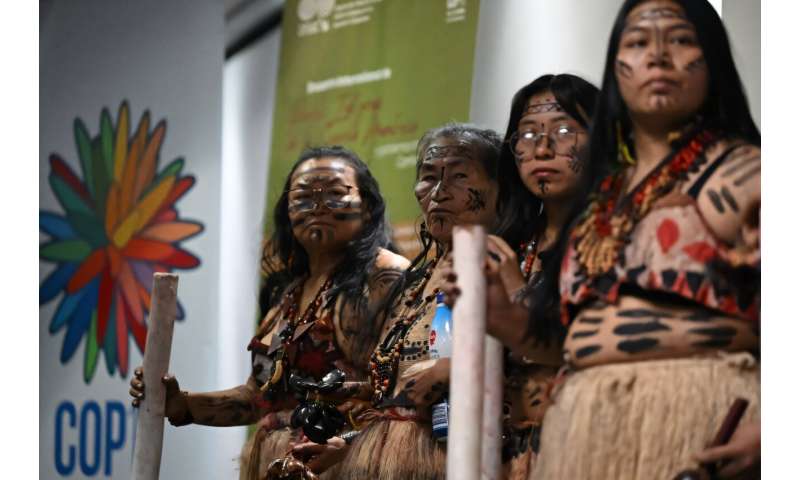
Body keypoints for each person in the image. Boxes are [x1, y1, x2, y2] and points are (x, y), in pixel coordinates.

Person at [473, 1, 761, 478]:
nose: (659, 57)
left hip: (706, 418)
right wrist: (503, 317)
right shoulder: (601, 201)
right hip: (588, 430)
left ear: (712, 59)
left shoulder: (748, 174)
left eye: (682, 40)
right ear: (616, 69)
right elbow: (565, 341)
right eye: (638, 43)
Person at [129, 146, 410, 479]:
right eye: (303, 197)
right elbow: (260, 399)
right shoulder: (288, 294)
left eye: (335, 194)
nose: (318, 206)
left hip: (352, 466)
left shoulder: (387, 276)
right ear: (287, 213)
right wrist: (182, 403)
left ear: (368, 207)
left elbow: (405, 394)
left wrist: (346, 444)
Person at [292, 123, 505, 479]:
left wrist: (455, 369)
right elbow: (398, 398)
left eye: (459, 176)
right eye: (429, 176)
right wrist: (345, 442)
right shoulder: (414, 282)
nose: (438, 192)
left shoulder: (506, 267)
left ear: (502, 189)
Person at [486, 73, 599, 479]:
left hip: (587, 444)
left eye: (565, 131)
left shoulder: (614, 237)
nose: (543, 148)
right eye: (527, 135)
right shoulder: (508, 244)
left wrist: (515, 289)